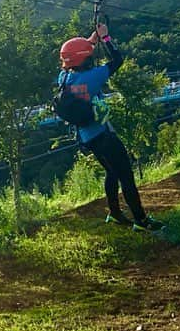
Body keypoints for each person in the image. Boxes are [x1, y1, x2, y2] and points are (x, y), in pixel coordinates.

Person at [58, 24, 163, 232]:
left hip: (86, 136)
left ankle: (115, 214)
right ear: (85, 58)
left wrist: (92, 39)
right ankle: (141, 221)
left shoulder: (65, 79)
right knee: (126, 175)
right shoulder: (92, 77)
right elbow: (118, 60)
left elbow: (77, 55)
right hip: (103, 135)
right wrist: (105, 39)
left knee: (111, 172)